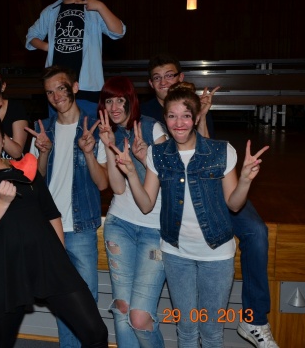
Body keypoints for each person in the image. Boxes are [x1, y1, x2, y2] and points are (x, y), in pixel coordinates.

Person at [112, 82, 269, 348]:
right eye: (172, 116)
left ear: (196, 118)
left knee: (211, 333)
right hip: (176, 254)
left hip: (216, 255)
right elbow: (146, 204)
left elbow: (234, 205)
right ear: (165, 119)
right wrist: (130, 173)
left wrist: (244, 180)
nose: (179, 123)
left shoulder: (221, 151)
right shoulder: (158, 154)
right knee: (185, 331)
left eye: (186, 115)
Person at [0, 111, 109, 348]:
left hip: (48, 260)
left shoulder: (25, 169)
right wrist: (2, 202)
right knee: (1, 342)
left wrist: (60, 258)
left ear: (3, 141)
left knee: (96, 333)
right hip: (5, 268)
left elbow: (52, 214)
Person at [25, 65, 109, 348]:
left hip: (82, 227)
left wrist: (89, 152)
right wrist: (43, 152)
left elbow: (103, 184)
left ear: (74, 87)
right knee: (63, 302)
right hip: (50, 229)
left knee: (86, 302)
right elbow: (35, 182)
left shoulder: (94, 127)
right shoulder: (42, 130)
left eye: (61, 88)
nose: (56, 96)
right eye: (50, 92)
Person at [97, 76, 167, 347]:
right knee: (123, 307)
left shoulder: (151, 127)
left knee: (139, 317)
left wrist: (144, 156)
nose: (114, 107)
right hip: (119, 225)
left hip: (155, 230)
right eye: (109, 101)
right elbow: (117, 188)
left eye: (120, 100)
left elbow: (168, 179)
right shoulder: (108, 133)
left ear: (130, 101)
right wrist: (107, 145)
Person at [25, 0, 126, 119]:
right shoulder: (49, 12)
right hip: (58, 88)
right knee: (59, 129)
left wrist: (100, 7)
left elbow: (118, 32)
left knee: (89, 129)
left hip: (88, 85)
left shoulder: (93, 8)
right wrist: (47, 46)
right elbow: (31, 36)